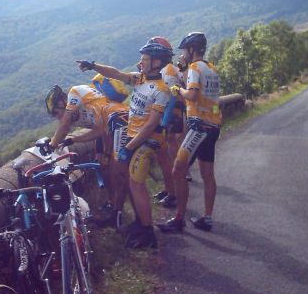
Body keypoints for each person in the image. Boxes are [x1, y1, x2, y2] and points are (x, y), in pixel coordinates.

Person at [76, 41, 172, 248]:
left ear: (157, 62)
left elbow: (151, 125)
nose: (140, 62)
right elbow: (115, 73)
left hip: (146, 142)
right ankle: (141, 223)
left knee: (136, 184)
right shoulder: (140, 79)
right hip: (133, 137)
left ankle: (148, 234)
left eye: (145, 59)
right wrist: (93, 65)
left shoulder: (162, 90)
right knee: (131, 182)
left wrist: (128, 148)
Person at [158, 32, 222, 233]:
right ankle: (207, 217)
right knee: (207, 174)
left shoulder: (195, 67)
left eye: (186, 50)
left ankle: (178, 219)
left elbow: (192, 95)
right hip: (213, 126)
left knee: (178, 170)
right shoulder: (211, 68)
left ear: (192, 49)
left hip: (198, 126)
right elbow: (210, 98)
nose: (184, 53)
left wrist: (178, 90)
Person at [45, 83, 129, 228]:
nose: (58, 118)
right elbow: (99, 130)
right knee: (104, 168)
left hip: (120, 121)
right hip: (108, 129)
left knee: (118, 172)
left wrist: (51, 146)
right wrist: (73, 140)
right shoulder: (79, 117)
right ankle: (113, 205)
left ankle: (120, 217)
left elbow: (64, 125)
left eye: (56, 113)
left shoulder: (74, 93)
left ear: (62, 103)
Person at [144, 36, 185, 210]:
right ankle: (169, 190)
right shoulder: (169, 68)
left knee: (164, 158)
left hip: (167, 117)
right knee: (163, 157)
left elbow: (169, 98)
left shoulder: (167, 71)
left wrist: (162, 124)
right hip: (169, 116)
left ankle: (173, 193)